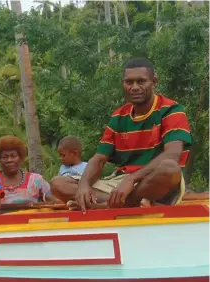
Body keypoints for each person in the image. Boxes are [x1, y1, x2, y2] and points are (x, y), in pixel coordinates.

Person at [50, 58, 192, 211]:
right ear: (123, 83)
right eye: (129, 82)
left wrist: (132, 179)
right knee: (58, 183)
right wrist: (83, 186)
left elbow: (172, 155)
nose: (135, 87)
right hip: (121, 183)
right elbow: (99, 159)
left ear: (153, 81)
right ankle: (127, 203)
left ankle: (106, 205)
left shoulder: (171, 110)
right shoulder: (118, 116)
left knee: (170, 168)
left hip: (151, 180)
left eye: (141, 81)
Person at [0, 135, 51, 205]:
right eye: (4, 157)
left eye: (13, 156)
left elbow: (53, 201)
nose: (9, 160)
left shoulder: (35, 180)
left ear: (20, 158)